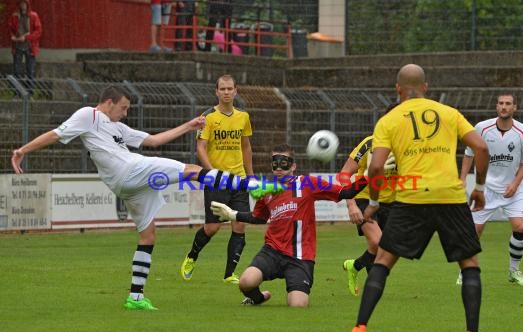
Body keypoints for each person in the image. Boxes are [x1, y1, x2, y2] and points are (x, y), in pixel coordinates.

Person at [11, 85, 278, 311]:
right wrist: (23, 150)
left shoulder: (117, 127)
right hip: (131, 170)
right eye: (123, 107)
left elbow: (153, 141)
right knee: (195, 171)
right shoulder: (88, 115)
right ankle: (252, 185)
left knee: (148, 235)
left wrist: (189, 125)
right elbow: (56, 134)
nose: (125, 113)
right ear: (108, 102)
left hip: (128, 185)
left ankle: (135, 296)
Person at [333, 64, 493, 332]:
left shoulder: (389, 120)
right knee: (469, 265)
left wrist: (373, 203)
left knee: (382, 261)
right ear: (426, 87)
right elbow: (481, 148)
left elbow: (377, 165)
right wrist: (479, 189)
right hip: (449, 196)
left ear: (397, 89)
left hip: (412, 198)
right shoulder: (448, 113)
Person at [210, 143, 368, 307]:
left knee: (298, 305)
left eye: (284, 161)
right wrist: (232, 214)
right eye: (275, 162)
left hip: (300, 257)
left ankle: (296, 286)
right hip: (272, 252)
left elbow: (346, 192)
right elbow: (259, 218)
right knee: (245, 282)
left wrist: (369, 175)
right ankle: (258, 298)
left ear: (293, 166)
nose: (279, 166)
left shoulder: (307, 183)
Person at [180, 74, 253, 284]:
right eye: (223, 89)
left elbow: (246, 146)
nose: (227, 92)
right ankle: (192, 256)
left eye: (230, 89)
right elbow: (200, 148)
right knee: (212, 228)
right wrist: (212, 172)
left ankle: (229, 274)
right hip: (217, 180)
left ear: (236, 91)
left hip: (238, 179)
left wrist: (251, 175)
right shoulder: (208, 117)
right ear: (217, 92)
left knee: (239, 225)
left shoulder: (243, 117)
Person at [458, 93, 523, 286]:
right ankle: (465, 272)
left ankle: (514, 271)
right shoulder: (482, 128)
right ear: (496, 106)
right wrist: (463, 178)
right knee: (475, 232)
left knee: (520, 227)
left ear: (514, 107)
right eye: (500, 103)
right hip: (485, 190)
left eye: (508, 104)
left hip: (512, 190)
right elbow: (469, 154)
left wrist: (515, 184)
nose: (504, 107)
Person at [341, 103, 399, 296]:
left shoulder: (407, 148)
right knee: (377, 243)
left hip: (391, 203)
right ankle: (371, 290)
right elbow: (344, 174)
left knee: (386, 250)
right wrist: (351, 205)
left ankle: (355, 266)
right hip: (364, 198)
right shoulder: (369, 143)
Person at [8, 0, 42, 92]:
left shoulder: (33, 16)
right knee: (17, 70)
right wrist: (13, 36)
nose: (23, 5)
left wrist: (27, 38)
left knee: (30, 70)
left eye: (24, 4)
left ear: (27, 5)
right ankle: (17, 91)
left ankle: (30, 92)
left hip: (30, 46)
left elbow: (38, 31)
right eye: (21, 4)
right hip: (17, 45)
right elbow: (10, 29)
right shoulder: (14, 16)